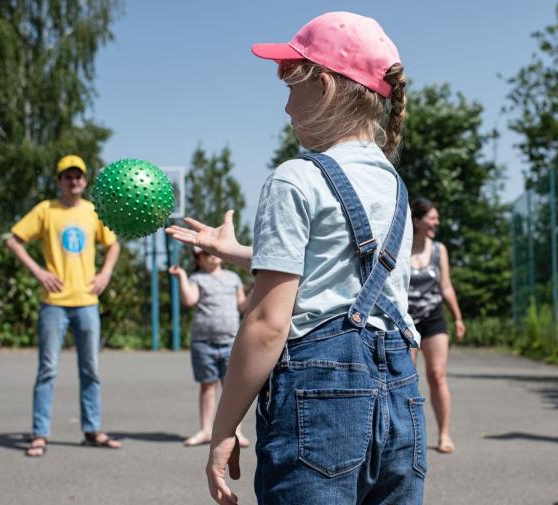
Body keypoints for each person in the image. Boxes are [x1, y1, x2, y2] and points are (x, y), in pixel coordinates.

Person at [166, 11, 424, 504]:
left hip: (321, 396)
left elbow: (267, 321)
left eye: (290, 84)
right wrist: (239, 251)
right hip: (399, 397)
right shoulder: (394, 187)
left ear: (324, 85)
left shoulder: (296, 177)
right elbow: (345, 274)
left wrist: (224, 427)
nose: (286, 106)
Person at [6, 154, 122, 457]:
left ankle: (92, 430)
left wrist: (105, 273)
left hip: (86, 301)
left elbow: (113, 244)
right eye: (68, 176)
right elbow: (14, 240)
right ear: (59, 181)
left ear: (85, 180)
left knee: (91, 369)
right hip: (54, 303)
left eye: (79, 176)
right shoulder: (46, 210)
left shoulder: (94, 211)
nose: (74, 181)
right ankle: (40, 434)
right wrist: (39, 272)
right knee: (47, 369)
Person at [169, 246, 250, 448]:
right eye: (204, 253)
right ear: (199, 260)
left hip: (231, 341)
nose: (210, 255)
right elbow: (189, 300)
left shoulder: (233, 278)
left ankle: (235, 431)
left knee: (232, 388)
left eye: (213, 251)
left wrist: (259, 286)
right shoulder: (197, 279)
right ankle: (206, 430)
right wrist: (181, 277)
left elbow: (242, 306)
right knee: (207, 387)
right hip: (203, 343)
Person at [408, 198, 465, 453]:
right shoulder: (400, 247)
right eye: (432, 218)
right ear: (417, 221)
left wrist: (458, 317)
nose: (436, 223)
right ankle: (406, 438)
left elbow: (446, 287)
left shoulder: (439, 250)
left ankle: (444, 434)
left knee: (437, 375)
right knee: (406, 379)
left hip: (433, 318)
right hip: (405, 320)